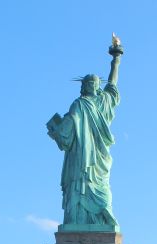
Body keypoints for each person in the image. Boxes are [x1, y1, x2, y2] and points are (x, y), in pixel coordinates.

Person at [46, 36, 123, 229]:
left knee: (102, 190)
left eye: (96, 83)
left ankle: (103, 218)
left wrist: (116, 59)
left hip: (97, 157)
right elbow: (67, 132)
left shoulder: (102, 103)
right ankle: (77, 221)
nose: (93, 85)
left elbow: (113, 86)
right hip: (80, 157)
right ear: (83, 87)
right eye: (90, 83)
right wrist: (58, 130)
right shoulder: (79, 105)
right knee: (79, 185)